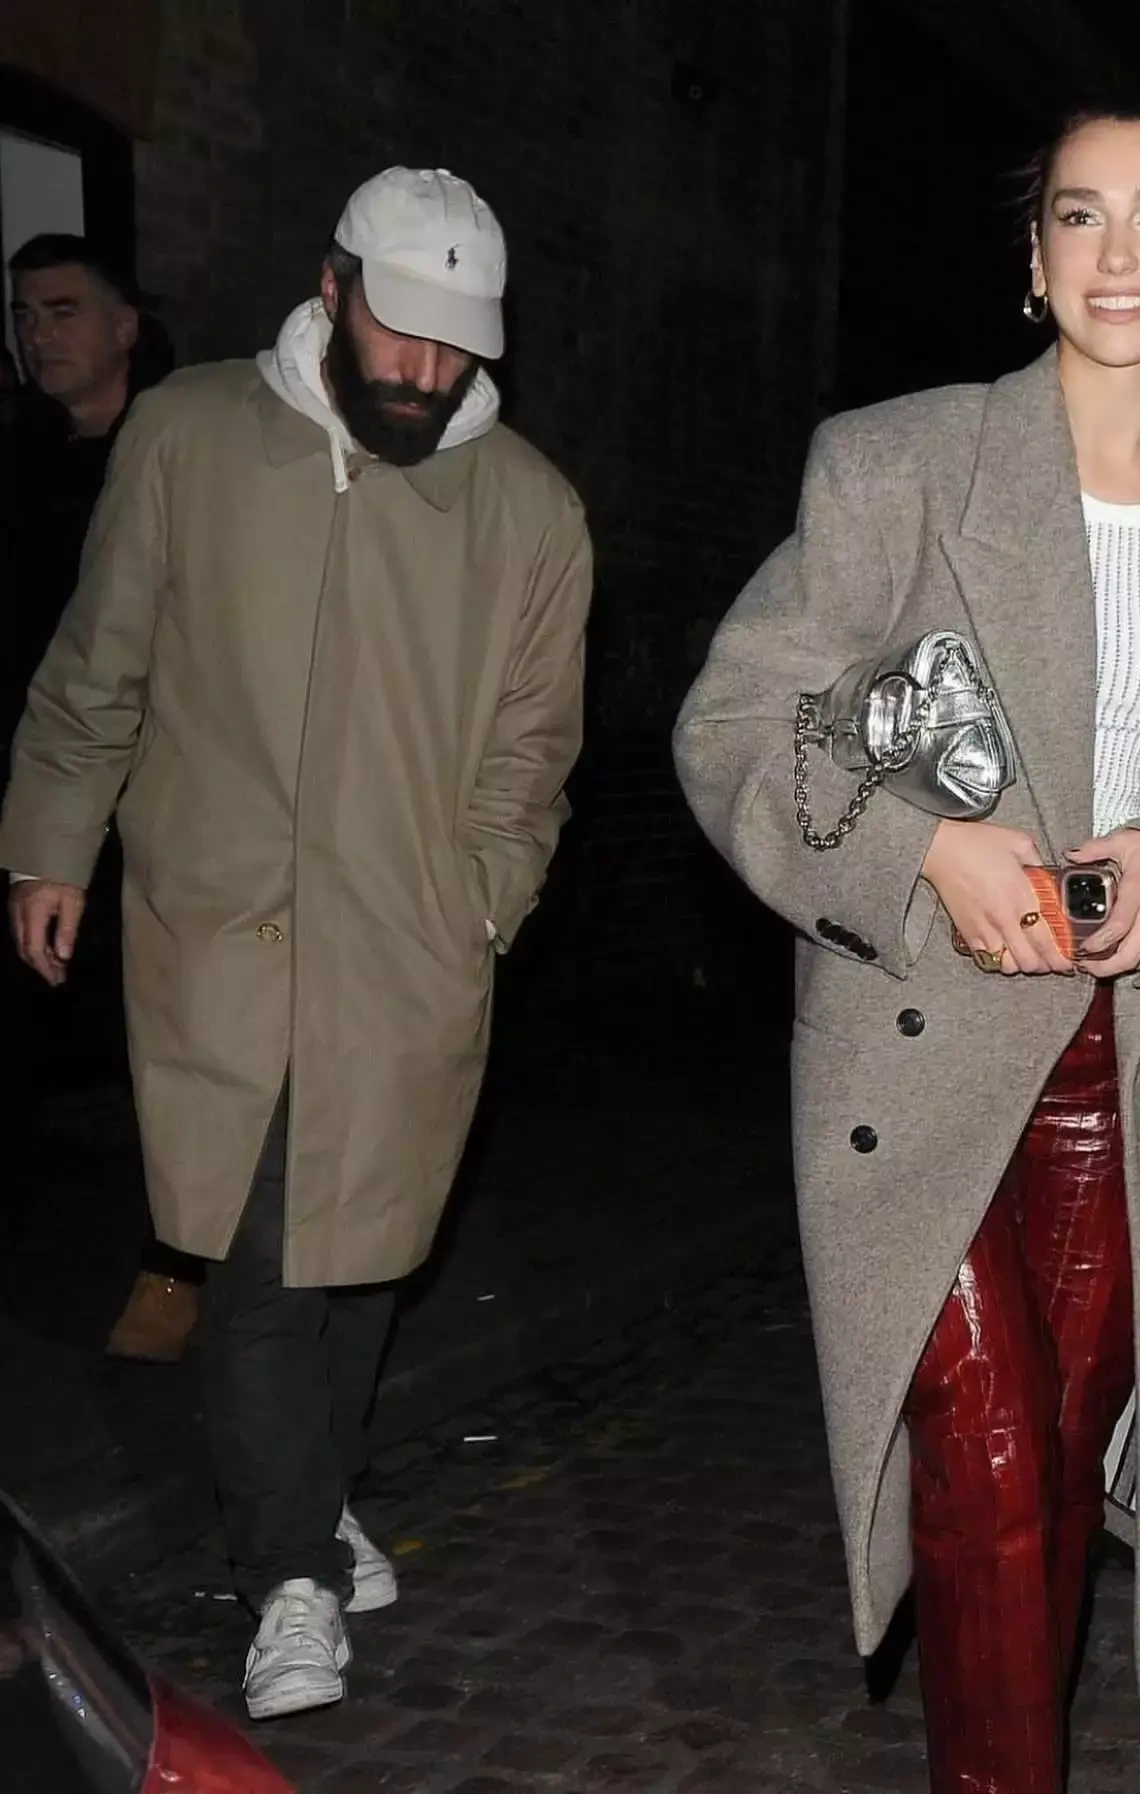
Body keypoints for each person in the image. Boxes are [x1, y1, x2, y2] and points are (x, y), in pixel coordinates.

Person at [674, 82, 1140, 1793]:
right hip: (920, 1039)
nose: (1116, 251)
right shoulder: (896, 467)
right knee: (981, 1456)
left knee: (1051, 1473)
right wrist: (920, 848)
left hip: (1135, 1067)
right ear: (1036, 256)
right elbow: (741, 725)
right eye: (1078, 213)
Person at [0, 166, 592, 1722]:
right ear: (333, 292)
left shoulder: (530, 511)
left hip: (407, 944)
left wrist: (482, 900)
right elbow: (101, 660)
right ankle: (288, 1575)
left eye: (457, 348)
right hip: (220, 929)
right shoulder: (188, 435)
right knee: (260, 1256)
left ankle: (312, 1494)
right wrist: (53, 838)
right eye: (402, 334)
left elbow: (533, 754)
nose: (426, 372)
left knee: (365, 1256)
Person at [2, 234, 195, 1362]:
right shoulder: (21, 456)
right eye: (26, 315)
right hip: (37, 789)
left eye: (63, 310)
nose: (39, 335)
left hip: (154, 792)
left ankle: (179, 1261)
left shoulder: (180, 450)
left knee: (167, 1039)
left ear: (126, 325)